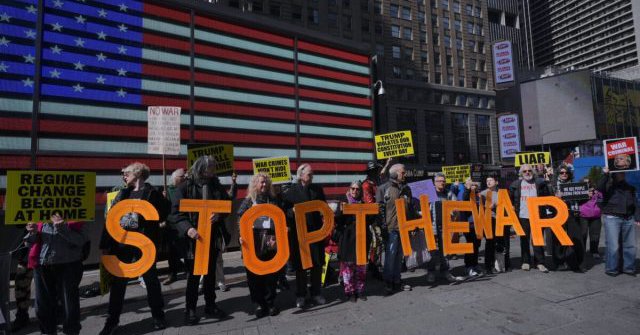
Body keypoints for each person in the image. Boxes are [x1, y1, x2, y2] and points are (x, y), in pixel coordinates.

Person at [99, 162, 169, 335]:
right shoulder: (122, 193)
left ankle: (158, 316)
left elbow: (165, 212)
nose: (124, 175)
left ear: (137, 174)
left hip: (144, 244)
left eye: (127, 173)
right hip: (122, 244)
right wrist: (105, 244)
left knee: (151, 281)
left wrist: (163, 200)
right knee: (118, 284)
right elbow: (111, 219)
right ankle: (112, 321)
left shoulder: (152, 193)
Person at [169, 155, 230, 324]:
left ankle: (211, 305)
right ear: (203, 168)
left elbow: (227, 206)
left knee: (210, 274)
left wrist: (219, 214)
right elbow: (175, 214)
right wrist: (188, 229)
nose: (214, 171)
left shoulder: (216, 185)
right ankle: (190, 310)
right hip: (192, 240)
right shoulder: (185, 187)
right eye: (212, 168)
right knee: (194, 277)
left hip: (212, 237)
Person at [25, 213, 86, 335]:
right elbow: (29, 244)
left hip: (68, 264)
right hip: (42, 264)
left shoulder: (77, 212)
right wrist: (32, 233)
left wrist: (63, 229)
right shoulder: (39, 214)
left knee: (69, 307)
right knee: (43, 307)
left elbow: (82, 240)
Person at [236, 173, 281, 317]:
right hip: (252, 241)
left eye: (266, 183)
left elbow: (279, 218)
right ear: (255, 184)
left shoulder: (273, 200)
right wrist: (241, 236)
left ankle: (270, 303)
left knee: (271, 275)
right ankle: (259, 304)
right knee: (254, 277)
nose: (264, 185)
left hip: (270, 240)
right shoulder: (249, 201)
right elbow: (240, 218)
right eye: (261, 182)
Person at [283, 164, 327, 308]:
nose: (312, 176)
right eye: (309, 174)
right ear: (301, 175)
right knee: (301, 267)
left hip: (316, 233)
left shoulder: (317, 189)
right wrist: (292, 211)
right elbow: (285, 212)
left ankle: (316, 293)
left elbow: (324, 208)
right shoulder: (291, 192)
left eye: (312, 174)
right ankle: (301, 295)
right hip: (300, 235)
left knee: (316, 264)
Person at [377, 163, 414, 293]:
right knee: (390, 256)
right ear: (394, 173)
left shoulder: (407, 189)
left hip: (404, 228)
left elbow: (411, 208)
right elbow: (380, 209)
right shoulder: (383, 188)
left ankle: (397, 280)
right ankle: (388, 282)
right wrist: (383, 228)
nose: (405, 175)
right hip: (391, 229)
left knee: (399, 256)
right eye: (403, 172)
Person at [508, 164, 551, 273]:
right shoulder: (515, 185)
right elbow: (510, 199)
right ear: (521, 173)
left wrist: (549, 182)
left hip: (537, 215)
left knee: (538, 240)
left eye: (529, 171)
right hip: (523, 216)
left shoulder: (540, 183)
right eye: (524, 171)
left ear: (533, 172)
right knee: (524, 240)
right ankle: (525, 261)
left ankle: (540, 263)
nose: (527, 173)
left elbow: (548, 196)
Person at [597, 167, 638, 276]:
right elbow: (599, 187)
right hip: (612, 217)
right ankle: (612, 268)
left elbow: (635, 202)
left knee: (630, 245)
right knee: (613, 245)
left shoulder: (629, 186)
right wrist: (605, 174)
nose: (622, 174)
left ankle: (628, 268)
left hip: (628, 218)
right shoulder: (608, 184)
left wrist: (637, 217)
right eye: (620, 172)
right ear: (614, 173)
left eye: (623, 172)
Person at [425, 173, 463, 284]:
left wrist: (454, 212)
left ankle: (446, 271)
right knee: (432, 252)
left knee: (446, 252)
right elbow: (421, 208)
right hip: (432, 227)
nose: (441, 183)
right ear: (434, 182)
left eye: (443, 181)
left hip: (446, 228)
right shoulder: (429, 194)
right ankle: (431, 272)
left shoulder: (449, 193)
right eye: (439, 181)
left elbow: (456, 207)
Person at [334, 181, 370, 302]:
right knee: (348, 267)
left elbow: (370, 220)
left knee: (361, 267)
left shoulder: (363, 203)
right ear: (349, 189)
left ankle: (360, 291)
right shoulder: (344, 202)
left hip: (361, 237)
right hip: (348, 239)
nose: (355, 191)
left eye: (357, 189)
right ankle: (350, 292)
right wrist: (340, 211)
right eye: (353, 189)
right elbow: (338, 222)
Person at [550, 163, 584, 272]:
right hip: (557, 214)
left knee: (576, 238)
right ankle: (559, 263)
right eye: (562, 173)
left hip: (572, 214)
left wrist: (586, 194)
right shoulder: (552, 186)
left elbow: (582, 200)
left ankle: (575, 263)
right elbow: (546, 200)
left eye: (566, 172)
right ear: (558, 174)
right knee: (558, 240)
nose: (564, 174)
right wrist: (555, 198)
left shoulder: (575, 185)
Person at [480, 175, 509, 272]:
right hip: (489, 220)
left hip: (500, 220)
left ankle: (502, 265)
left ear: (496, 182)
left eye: (490, 180)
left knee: (501, 242)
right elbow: (478, 208)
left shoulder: (502, 193)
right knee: (490, 243)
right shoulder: (483, 194)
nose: (488, 182)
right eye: (487, 180)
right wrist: (487, 207)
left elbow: (507, 205)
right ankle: (489, 265)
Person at [163, 168, 187, 285]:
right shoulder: (168, 190)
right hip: (171, 224)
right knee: (172, 251)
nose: (185, 178)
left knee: (187, 250)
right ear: (175, 178)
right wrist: (162, 197)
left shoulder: (187, 188)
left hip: (184, 223)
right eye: (182, 176)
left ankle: (189, 272)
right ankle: (172, 274)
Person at [578, 182, 603, 259]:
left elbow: (602, 199)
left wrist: (598, 194)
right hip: (583, 215)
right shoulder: (580, 192)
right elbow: (576, 201)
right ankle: (582, 251)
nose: (590, 187)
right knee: (583, 234)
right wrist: (585, 195)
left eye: (590, 185)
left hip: (596, 216)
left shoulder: (597, 192)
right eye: (587, 185)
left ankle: (594, 251)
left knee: (595, 234)